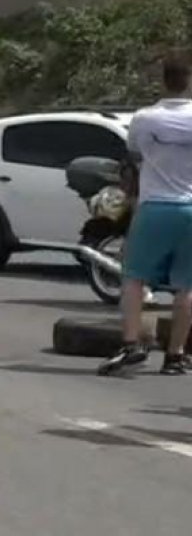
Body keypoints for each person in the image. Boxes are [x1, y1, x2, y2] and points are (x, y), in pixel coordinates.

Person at [99, 52, 192, 376]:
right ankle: (176, 355)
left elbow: (135, 154)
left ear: (162, 80)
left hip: (155, 206)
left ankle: (131, 343)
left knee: (134, 277)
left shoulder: (145, 118)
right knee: (187, 286)